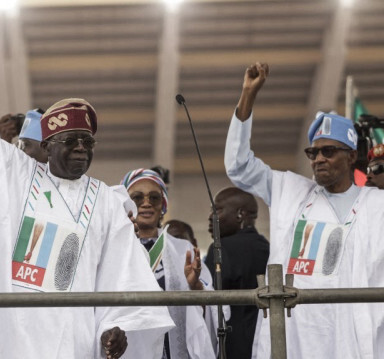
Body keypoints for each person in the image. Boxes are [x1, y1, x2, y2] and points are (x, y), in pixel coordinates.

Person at [0, 4, 173, 358]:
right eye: (71, 141)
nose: (82, 149)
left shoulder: (106, 202)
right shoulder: (17, 174)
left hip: (76, 336)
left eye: (88, 142)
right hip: (12, 333)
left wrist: (115, 325)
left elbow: (122, 273)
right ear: (48, 145)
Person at [225, 62, 384, 358]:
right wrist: (248, 95)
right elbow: (239, 166)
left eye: (328, 151)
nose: (318, 159)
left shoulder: (376, 204)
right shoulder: (290, 191)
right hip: (296, 333)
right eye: (313, 152)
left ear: (351, 157)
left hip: (353, 335)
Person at [122, 168, 215, 359]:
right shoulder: (115, 248)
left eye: (154, 198)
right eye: (138, 198)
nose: (146, 203)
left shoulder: (183, 249)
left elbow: (212, 310)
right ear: (127, 204)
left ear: (162, 205)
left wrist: (194, 284)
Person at [203, 187, 269, 359]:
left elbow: (210, 304)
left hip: (230, 347)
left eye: (217, 210)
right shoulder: (269, 248)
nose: (211, 217)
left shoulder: (220, 249)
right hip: (266, 343)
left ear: (240, 214)